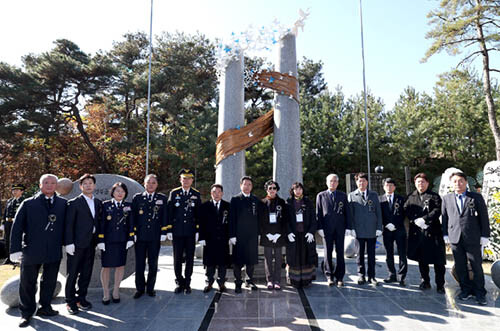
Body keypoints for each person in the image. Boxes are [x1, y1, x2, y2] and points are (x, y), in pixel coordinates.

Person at [10, 174, 66, 328]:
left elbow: (67, 227)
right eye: (46, 182)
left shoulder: (63, 203)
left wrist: (68, 243)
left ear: (56, 185)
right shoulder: (28, 203)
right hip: (32, 250)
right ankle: (26, 313)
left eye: (53, 183)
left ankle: (45, 307)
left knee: (49, 282)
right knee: (27, 283)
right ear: (40, 185)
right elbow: (16, 227)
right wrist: (15, 250)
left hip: (54, 249)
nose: (49, 185)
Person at [442, 172, 490, 305]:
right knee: (461, 266)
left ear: (466, 182)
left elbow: (484, 218)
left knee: (476, 265)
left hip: (473, 238)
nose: (458, 183)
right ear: (452, 183)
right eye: (455, 181)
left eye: (461, 181)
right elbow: (445, 218)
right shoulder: (447, 198)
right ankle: (465, 289)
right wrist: (445, 234)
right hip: (455, 237)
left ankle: (480, 292)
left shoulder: (476, 197)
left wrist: (485, 235)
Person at [64, 174, 102, 314]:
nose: (88, 185)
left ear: (94, 186)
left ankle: (81, 298)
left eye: (90, 183)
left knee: (86, 273)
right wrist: (69, 243)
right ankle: (70, 301)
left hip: (91, 243)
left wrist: (98, 240)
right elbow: (68, 225)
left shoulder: (97, 203)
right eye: (85, 183)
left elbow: (98, 222)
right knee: (72, 273)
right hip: (76, 244)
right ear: (80, 186)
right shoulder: (74, 203)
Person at [404, 172, 446, 294]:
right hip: (418, 232)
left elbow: (438, 210)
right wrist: (415, 220)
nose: (420, 184)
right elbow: (406, 209)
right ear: (415, 183)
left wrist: (426, 219)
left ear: (427, 183)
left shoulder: (434, 196)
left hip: (433, 232)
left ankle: (440, 284)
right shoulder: (411, 196)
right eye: (418, 182)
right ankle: (425, 281)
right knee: (422, 259)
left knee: (438, 261)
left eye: (423, 182)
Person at [131, 174, 168, 299]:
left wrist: (164, 232)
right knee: (140, 263)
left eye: (153, 183)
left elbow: (165, 216)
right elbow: (133, 217)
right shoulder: (137, 198)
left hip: (154, 236)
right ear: (144, 184)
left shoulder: (162, 198)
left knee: (153, 263)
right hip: (140, 237)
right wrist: (134, 233)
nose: (151, 185)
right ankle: (140, 288)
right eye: (148, 182)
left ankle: (151, 288)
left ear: (157, 184)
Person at [97, 182, 134, 304]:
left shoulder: (128, 206)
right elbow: (101, 224)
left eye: (122, 191)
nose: (120, 193)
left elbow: (131, 224)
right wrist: (101, 240)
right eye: (117, 191)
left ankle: (116, 291)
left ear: (125, 193)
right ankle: (106, 292)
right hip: (108, 242)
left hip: (122, 241)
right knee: (106, 267)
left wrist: (130, 238)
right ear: (112, 192)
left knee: (120, 266)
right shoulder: (105, 205)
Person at [166, 168, 201, 294]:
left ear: (192, 180)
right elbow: (169, 212)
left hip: (190, 232)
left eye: (188, 178)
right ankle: (179, 281)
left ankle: (187, 282)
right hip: (177, 231)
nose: (186, 181)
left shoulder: (196, 194)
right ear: (180, 180)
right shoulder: (174, 193)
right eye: (184, 178)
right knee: (177, 258)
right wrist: (169, 229)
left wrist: (198, 230)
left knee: (190, 258)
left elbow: (198, 214)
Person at [229, 176, 264, 293]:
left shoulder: (255, 200)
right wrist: (232, 235)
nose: (247, 186)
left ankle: (249, 280)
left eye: (249, 184)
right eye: (245, 184)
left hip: (252, 235)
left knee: (251, 260)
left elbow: (259, 218)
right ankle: (238, 282)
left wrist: (259, 234)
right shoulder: (235, 200)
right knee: (238, 260)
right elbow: (231, 219)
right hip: (238, 236)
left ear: (252, 186)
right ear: (241, 185)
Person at [316, 174, 352, 286]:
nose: (333, 183)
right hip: (327, 229)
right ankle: (329, 275)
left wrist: (348, 227)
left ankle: (340, 277)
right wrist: (319, 227)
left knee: (340, 253)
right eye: (331, 181)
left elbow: (348, 212)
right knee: (328, 253)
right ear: (327, 182)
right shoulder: (321, 195)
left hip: (340, 229)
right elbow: (319, 213)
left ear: (338, 183)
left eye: (335, 181)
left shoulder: (342, 195)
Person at [348, 172, 383, 286]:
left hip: (372, 230)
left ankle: (372, 276)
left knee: (372, 255)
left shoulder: (373, 195)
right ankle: (361, 275)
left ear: (367, 182)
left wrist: (379, 227)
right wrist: (352, 228)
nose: (361, 183)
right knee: (360, 255)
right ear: (356, 182)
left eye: (363, 181)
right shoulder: (352, 195)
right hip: (359, 231)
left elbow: (378, 212)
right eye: (359, 181)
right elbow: (350, 214)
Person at [199, 184, 231, 293]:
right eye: (214, 192)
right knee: (210, 263)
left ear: (222, 193)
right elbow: (201, 224)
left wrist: (231, 236)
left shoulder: (228, 206)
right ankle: (209, 282)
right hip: (209, 239)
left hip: (223, 239)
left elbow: (231, 223)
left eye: (218, 192)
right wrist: (201, 237)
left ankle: (221, 283)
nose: (216, 194)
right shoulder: (205, 206)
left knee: (222, 262)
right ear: (211, 193)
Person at [260, 180, 290, 290]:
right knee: (267, 258)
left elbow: (285, 220)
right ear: (266, 190)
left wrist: (279, 234)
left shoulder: (282, 202)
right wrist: (267, 234)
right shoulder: (262, 202)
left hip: (279, 235)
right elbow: (261, 221)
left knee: (278, 258)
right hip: (267, 235)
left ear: (277, 189)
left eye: (274, 188)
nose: (272, 190)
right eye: (270, 188)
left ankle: (277, 280)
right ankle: (269, 280)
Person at [286, 182, 317, 288]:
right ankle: (294, 280)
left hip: (306, 234)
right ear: (292, 191)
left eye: (300, 189)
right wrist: (288, 232)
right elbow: (285, 220)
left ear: (303, 190)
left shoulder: (308, 202)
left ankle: (307, 280)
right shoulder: (288, 203)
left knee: (306, 257)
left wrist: (311, 232)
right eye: (296, 189)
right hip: (294, 235)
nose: (298, 191)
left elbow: (313, 218)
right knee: (294, 257)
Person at [379, 178, 407, 286]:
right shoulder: (380, 199)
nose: (389, 187)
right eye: (387, 185)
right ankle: (392, 275)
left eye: (391, 185)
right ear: (383, 186)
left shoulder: (400, 199)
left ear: (394, 187)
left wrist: (395, 224)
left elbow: (404, 214)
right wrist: (386, 224)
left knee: (402, 254)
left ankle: (402, 277)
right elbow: (378, 214)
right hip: (387, 230)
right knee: (389, 254)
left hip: (399, 230)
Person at [1, 184, 25, 265]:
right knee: (7, 240)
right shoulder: (10, 201)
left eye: (17, 190)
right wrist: (3, 223)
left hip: (17, 224)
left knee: (16, 240)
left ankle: (17, 258)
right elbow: (5, 213)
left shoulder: (23, 201)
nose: (14, 192)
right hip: (8, 223)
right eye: (13, 190)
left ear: (22, 191)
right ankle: (9, 257)